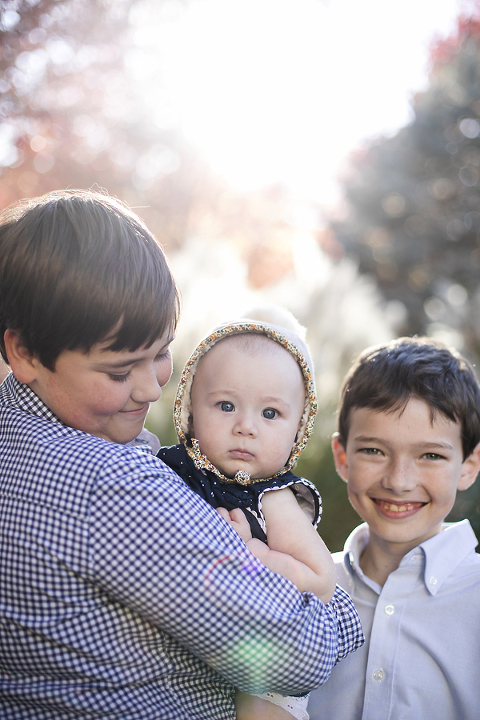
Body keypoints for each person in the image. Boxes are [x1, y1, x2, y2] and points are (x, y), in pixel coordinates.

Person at [0, 189, 364, 720]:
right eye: (120, 371)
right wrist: (338, 611)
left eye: (163, 352)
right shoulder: (109, 486)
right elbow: (298, 655)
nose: (151, 389)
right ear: (25, 353)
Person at [158, 316, 339, 720]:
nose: (245, 427)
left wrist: (251, 551)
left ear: (298, 429)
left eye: (270, 414)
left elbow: (319, 579)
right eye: (226, 406)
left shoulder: (273, 497)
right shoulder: (168, 470)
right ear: (189, 408)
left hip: (268, 671)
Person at [308, 336, 480, 720]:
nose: (399, 481)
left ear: (468, 465)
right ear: (342, 457)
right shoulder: (306, 587)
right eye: (374, 450)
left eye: (430, 455)